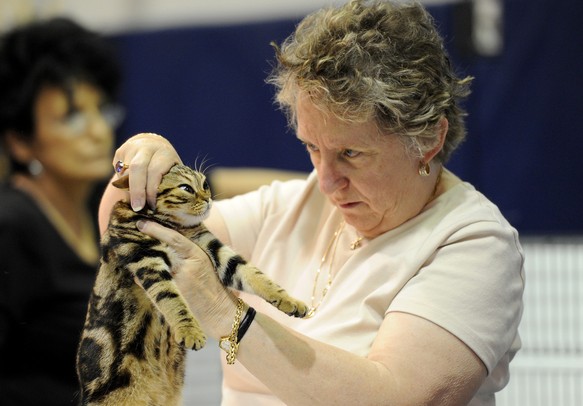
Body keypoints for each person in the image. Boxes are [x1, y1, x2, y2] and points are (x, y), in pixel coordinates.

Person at [100, 1, 524, 404]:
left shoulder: (474, 242)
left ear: (428, 139)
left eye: (351, 154)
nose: (325, 181)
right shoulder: (291, 205)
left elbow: (400, 398)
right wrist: (143, 158)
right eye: (312, 147)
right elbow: (123, 246)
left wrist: (224, 314)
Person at [0, 17, 123, 405]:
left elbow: (213, 187)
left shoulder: (94, 201)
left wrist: (310, 180)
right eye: (72, 116)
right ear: (21, 142)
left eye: (101, 110)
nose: (98, 131)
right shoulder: (12, 226)